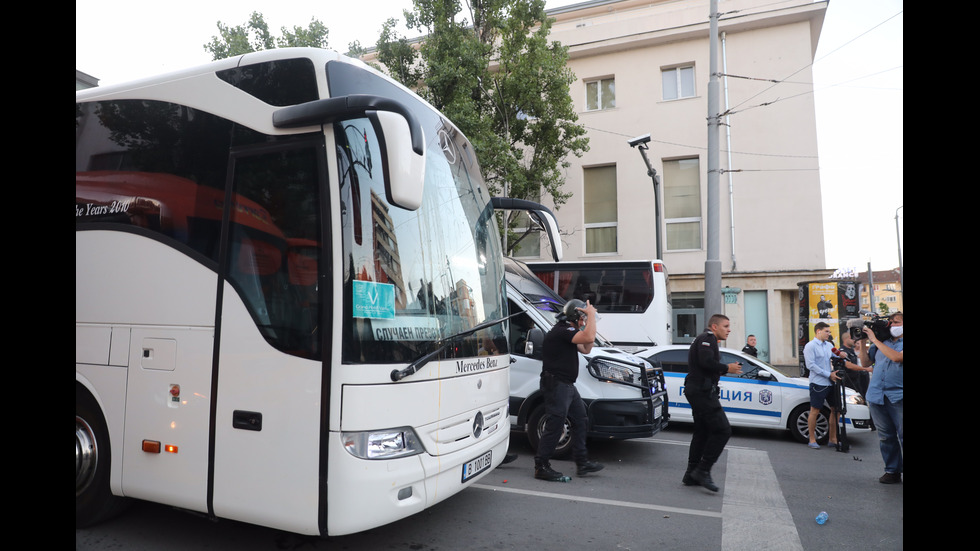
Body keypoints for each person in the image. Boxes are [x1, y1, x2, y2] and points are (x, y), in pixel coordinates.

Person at [533, 299, 604, 481]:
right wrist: (590, 318)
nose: (582, 322)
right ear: (574, 316)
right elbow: (587, 338)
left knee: (581, 419)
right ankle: (541, 466)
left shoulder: (569, 332)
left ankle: (582, 462)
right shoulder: (563, 331)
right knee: (555, 424)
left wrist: (589, 321)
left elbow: (586, 348)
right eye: (580, 319)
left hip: (567, 386)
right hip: (557, 385)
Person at [682, 314, 742, 492]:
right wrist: (727, 368)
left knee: (702, 431)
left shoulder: (705, 339)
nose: (729, 329)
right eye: (726, 326)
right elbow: (706, 361)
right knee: (723, 430)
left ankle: (691, 473)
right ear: (714, 327)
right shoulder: (708, 338)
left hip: (699, 390)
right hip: (701, 392)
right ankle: (703, 470)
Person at [857, 312, 903, 484]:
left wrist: (874, 340)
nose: (892, 326)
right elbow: (866, 363)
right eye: (890, 322)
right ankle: (892, 470)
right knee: (885, 436)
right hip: (877, 395)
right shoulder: (882, 342)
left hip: (899, 395)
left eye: (896, 322)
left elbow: (897, 357)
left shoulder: (883, 343)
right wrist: (862, 341)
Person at [803, 322, 844, 449]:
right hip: (818, 383)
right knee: (815, 410)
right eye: (826, 331)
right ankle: (812, 439)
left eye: (829, 332)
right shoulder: (810, 346)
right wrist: (828, 374)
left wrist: (843, 355)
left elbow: (836, 355)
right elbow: (811, 365)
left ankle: (833, 439)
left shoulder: (829, 345)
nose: (829, 334)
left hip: (830, 382)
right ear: (818, 331)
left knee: (836, 409)